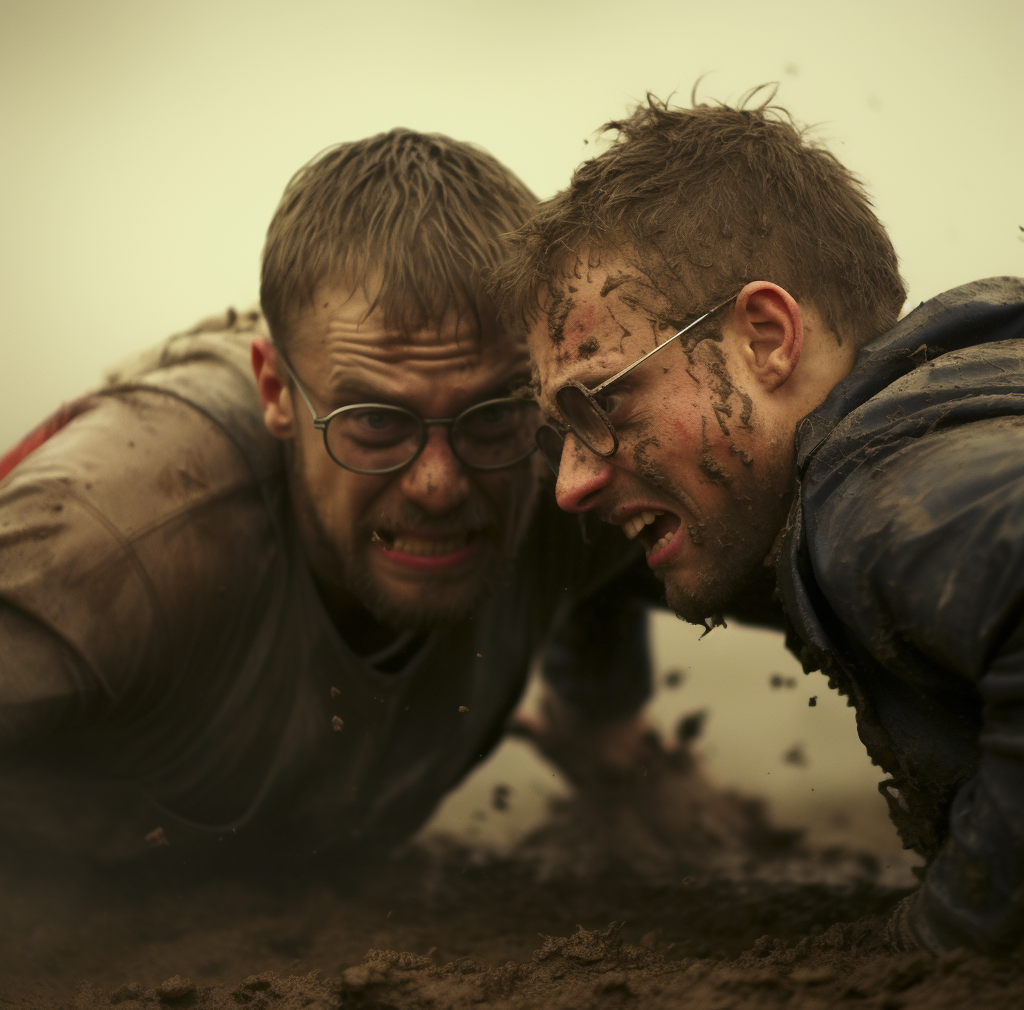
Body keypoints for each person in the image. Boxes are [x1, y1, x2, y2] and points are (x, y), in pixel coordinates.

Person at [0, 129, 660, 866]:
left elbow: (792, 521)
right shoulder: (121, 534)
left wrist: (607, 719)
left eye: (492, 413)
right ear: (276, 394)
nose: (439, 485)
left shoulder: (566, 453)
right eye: (376, 422)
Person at [493, 92, 1024, 955]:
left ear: (768, 338)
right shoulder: (965, 399)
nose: (571, 485)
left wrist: (946, 937)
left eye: (602, 401)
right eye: (560, 433)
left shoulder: (872, 480)